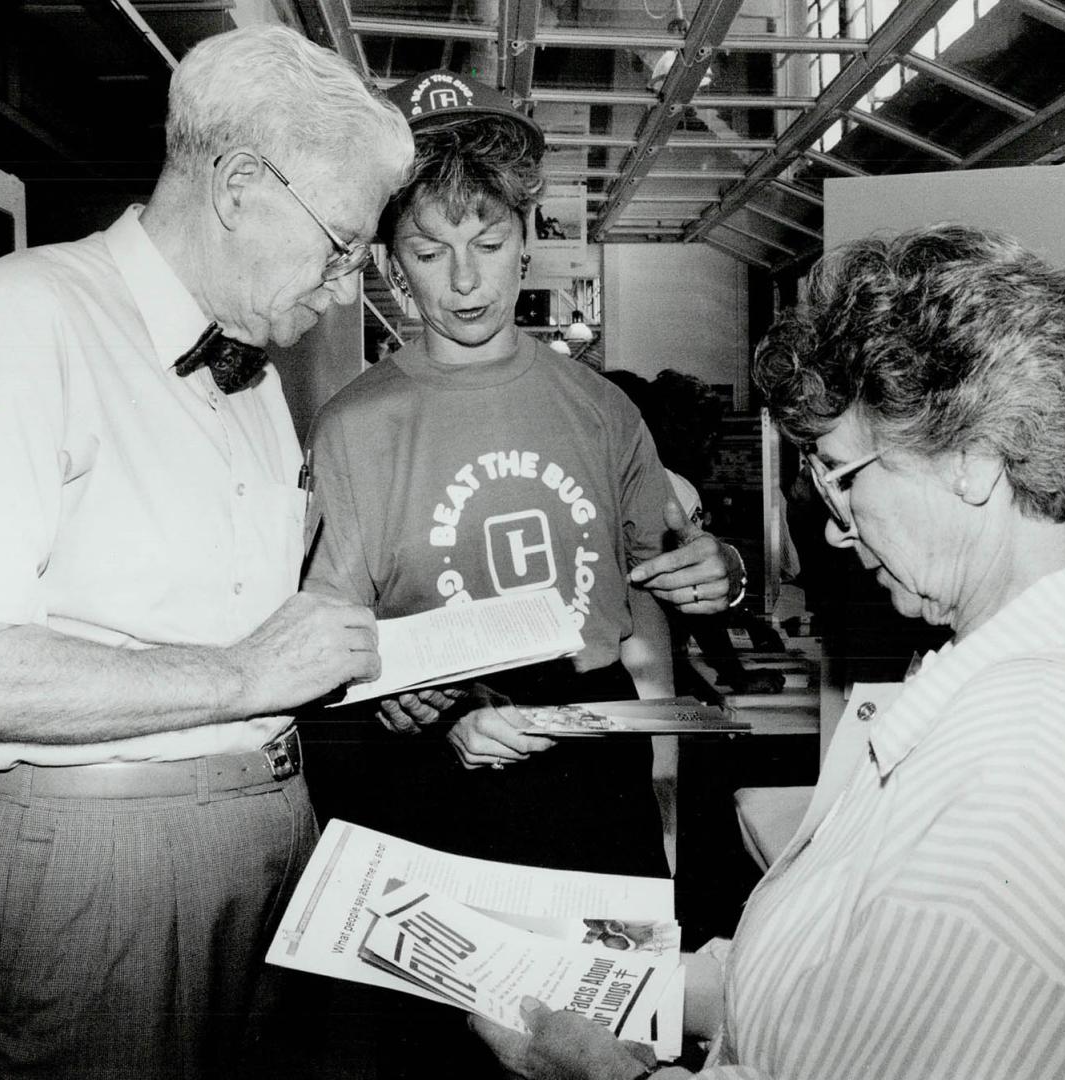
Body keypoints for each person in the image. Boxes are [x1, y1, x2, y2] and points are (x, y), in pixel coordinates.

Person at [473, 224, 1065, 1079]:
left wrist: (603, 1075)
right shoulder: (1045, 661)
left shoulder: (1035, 749)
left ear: (974, 459)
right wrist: (629, 981)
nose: (841, 532)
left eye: (845, 477)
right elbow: (839, 995)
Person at [0, 26, 413, 1079]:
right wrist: (242, 676)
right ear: (238, 184)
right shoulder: (27, 319)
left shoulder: (255, 382)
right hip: (93, 875)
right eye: (341, 244)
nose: (347, 286)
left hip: (261, 842)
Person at [300, 70, 743, 1078]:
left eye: (488, 246)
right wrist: (422, 709)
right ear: (386, 264)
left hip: (592, 785)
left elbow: (650, 593)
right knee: (440, 1059)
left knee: (608, 1050)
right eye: (428, 251)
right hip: (432, 791)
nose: (463, 282)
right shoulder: (355, 427)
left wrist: (716, 570)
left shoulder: (598, 410)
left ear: (527, 240)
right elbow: (330, 653)